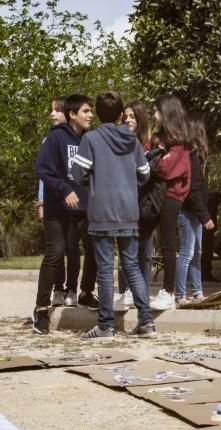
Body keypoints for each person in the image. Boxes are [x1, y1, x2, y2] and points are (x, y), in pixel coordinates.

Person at [69, 91, 155, 340]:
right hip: (128, 211)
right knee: (132, 267)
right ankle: (146, 322)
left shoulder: (91, 139)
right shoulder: (133, 140)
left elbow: (78, 174)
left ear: (97, 114)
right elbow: (145, 173)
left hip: (101, 212)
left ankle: (106, 326)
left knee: (105, 270)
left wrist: (96, 179)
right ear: (120, 114)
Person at [33, 94, 98, 334]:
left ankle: (85, 292)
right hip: (58, 209)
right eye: (86, 111)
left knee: (93, 248)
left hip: (83, 208)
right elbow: (42, 168)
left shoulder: (89, 140)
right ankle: (41, 308)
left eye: (91, 111)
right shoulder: (56, 137)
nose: (90, 115)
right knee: (56, 252)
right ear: (72, 114)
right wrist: (64, 189)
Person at [144, 94, 191, 311]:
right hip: (159, 193)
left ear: (167, 113)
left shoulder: (179, 142)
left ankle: (169, 291)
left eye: (156, 111)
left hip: (172, 196)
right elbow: (154, 163)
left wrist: (157, 163)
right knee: (150, 238)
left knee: (168, 244)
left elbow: (165, 169)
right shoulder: (160, 138)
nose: (153, 115)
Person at [113, 101, 153, 312]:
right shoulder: (120, 142)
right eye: (125, 117)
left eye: (132, 116)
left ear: (140, 119)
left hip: (145, 205)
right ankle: (125, 292)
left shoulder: (149, 144)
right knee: (125, 252)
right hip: (125, 204)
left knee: (145, 253)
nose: (128, 120)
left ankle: (142, 293)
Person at [173, 113, 216, 305]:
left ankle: (197, 291)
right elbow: (192, 190)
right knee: (187, 253)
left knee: (197, 253)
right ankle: (180, 294)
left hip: (195, 213)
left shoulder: (197, 157)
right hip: (188, 212)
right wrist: (205, 216)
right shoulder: (190, 157)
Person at [37, 96, 68, 307]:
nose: (52, 113)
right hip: (53, 203)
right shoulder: (48, 140)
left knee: (71, 249)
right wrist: (41, 202)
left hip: (74, 205)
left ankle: (71, 290)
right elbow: (43, 175)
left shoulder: (79, 138)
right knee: (56, 250)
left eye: (56, 110)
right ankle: (56, 290)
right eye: (51, 110)